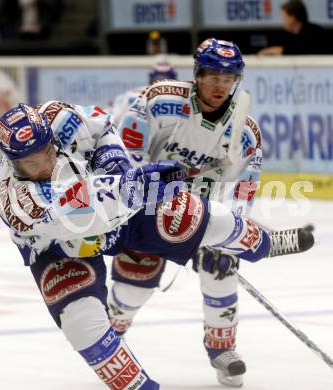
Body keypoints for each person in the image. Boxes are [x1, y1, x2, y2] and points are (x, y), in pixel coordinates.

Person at [0, 101, 313, 389]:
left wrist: (115, 161)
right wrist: (130, 188)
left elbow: (102, 126)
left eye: (47, 153)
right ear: (11, 160)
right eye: (33, 164)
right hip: (58, 247)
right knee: (81, 324)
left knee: (191, 215)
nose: (45, 166)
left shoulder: (61, 118)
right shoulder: (14, 199)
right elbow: (80, 213)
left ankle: (264, 242)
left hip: (117, 208)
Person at [107, 37, 279, 387]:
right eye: (213, 76)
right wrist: (142, 204)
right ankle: (111, 330)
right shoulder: (158, 101)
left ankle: (222, 350)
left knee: (223, 268)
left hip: (205, 212)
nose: (220, 86)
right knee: (134, 285)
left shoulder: (246, 132)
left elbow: (242, 192)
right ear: (197, 74)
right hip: (148, 206)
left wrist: (227, 237)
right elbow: (125, 156)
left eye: (228, 79)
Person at [110, 56, 178, 127]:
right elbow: (115, 119)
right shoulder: (133, 94)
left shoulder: (181, 98)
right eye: (159, 79)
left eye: (167, 79)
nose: (163, 82)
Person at [258, 0, 328, 55]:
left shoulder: (315, 33)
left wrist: (277, 50)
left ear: (293, 18)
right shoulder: (293, 36)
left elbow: (302, 51)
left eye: (284, 17)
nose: (283, 21)